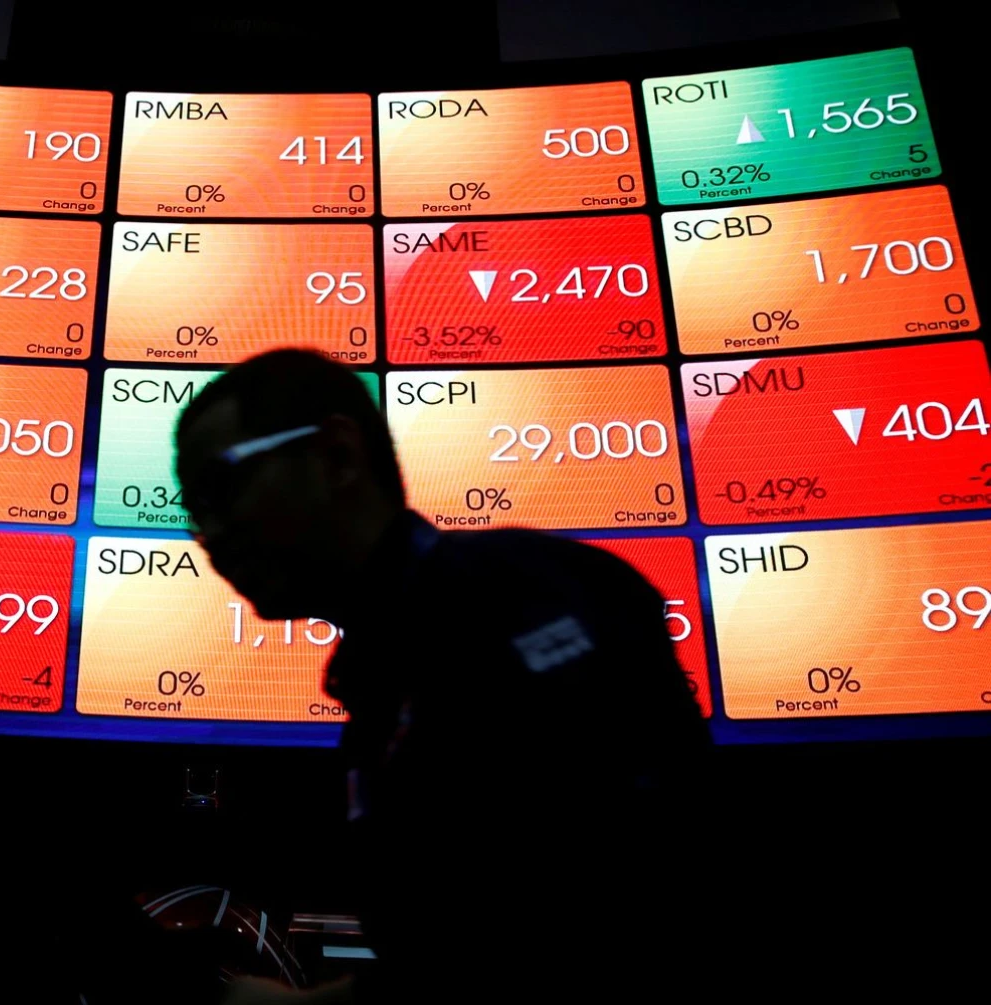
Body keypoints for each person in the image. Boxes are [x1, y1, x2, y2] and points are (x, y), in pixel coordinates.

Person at [174, 350, 711, 1003]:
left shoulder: (526, 596)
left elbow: (573, 932)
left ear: (338, 455)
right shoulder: (385, 689)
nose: (208, 533)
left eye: (218, 488)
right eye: (193, 510)